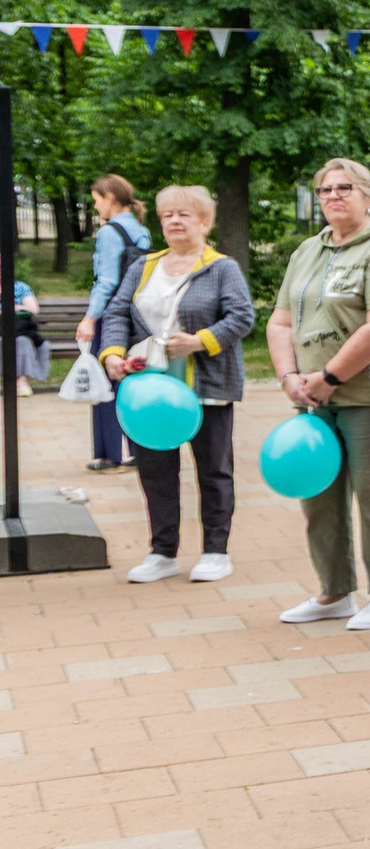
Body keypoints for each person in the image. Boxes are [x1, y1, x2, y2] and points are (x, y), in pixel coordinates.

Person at [268, 159, 370, 632]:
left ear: (369, 197)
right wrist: (289, 376)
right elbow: (280, 321)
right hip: (313, 397)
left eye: (345, 188)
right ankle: (334, 592)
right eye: (325, 190)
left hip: (368, 396)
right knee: (318, 496)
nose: (333, 196)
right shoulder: (308, 251)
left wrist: (330, 377)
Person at [97, 186, 254, 584]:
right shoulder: (144, 266)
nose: (174, 221)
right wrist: (112, 353)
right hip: (149, 391)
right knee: (155, 471)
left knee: (213, 471)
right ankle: (162, 552)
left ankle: (216, 552)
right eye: (167, 215)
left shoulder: (222, 268)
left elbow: (242, 317)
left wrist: (199, 341)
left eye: (184, 214)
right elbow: (117, 312)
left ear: (205, 222)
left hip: (206, 386)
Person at [78, 175, 151, 471]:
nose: (96, 207)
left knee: (105, 385)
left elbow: (106, 281)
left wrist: (89, 318)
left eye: (97, 200)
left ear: (110, 198)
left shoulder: (109, 232)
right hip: (136, 316)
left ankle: (110, 454)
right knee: (131, 381)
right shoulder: (142, 231)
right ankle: (138, 450)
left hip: (111, 317)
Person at [13, 276, 44, 395]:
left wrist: (16, 308)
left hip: (17, 330)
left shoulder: (20, 287)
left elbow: (34, 309)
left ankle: (22, 382)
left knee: (23, 341)